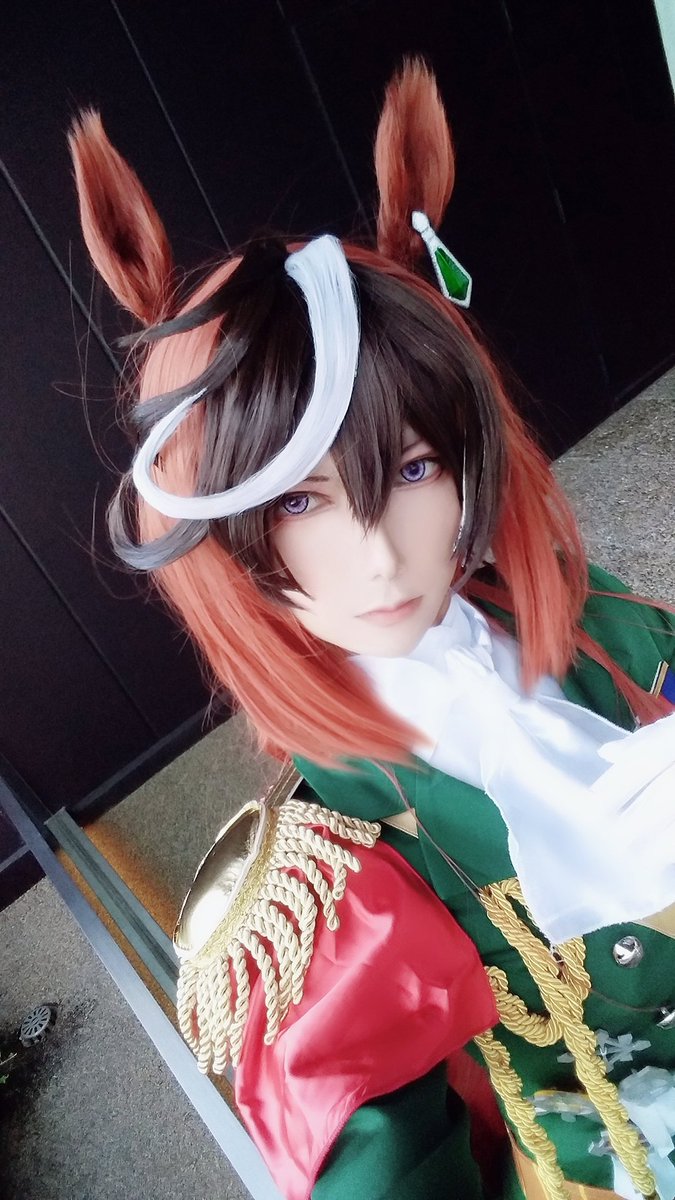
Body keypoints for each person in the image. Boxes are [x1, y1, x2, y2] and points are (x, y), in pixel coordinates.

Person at [68, 59, 675, 1200]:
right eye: (297, 502)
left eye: (412, 469)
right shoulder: (324, 874)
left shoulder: (603, 619)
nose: (382, 557)